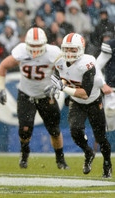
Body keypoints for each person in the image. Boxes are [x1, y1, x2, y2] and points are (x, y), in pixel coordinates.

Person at [0, 27, 69, 170]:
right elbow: (3, 66)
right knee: (24, 130)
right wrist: (1, 88)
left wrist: (58, 85)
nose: (35, 49)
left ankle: (60, 159)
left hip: (46, 95)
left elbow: (66, 72)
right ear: (27, 43)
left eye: (38, 45)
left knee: (54, 130)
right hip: (26, 94)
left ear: (45, 43)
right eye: (33, 45)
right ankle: (24, 153)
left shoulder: (53, 53)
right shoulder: (21, 51)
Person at [48, 33, 112, 178]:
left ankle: (107, 163)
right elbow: (64, 77)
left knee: (101, 138)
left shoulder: (87, 63)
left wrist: (62, 88)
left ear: (81, 49)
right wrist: (59, 84)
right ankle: (88, 152)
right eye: (67, 49)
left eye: (73, 50)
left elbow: (85, 93)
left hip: (93, 101)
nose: (69, 53)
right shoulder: (60, 62)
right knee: (75, 131)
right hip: (76, 103)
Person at [96, 38, 115, 132]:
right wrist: (103, 84)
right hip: (112, 92)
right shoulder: (111, 46)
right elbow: (96, 67)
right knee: (110, 127)